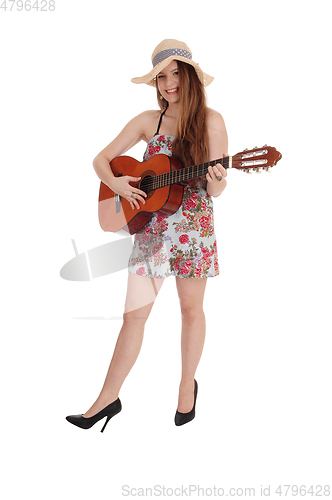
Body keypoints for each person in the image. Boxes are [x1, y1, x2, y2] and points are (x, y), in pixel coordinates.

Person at [66, 39, 228, 432]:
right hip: (152, 230)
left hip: (192, 229)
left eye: (175, 74)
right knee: (133, 316)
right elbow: (101, 160)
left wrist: (217, 178)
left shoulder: (212, 120)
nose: (169, 83)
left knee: (190, 311)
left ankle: (186, 385)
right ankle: (107, 398)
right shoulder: (146, 121)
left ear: (189, 77)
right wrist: (120, 186)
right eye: (161, 77)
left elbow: (218, 191)